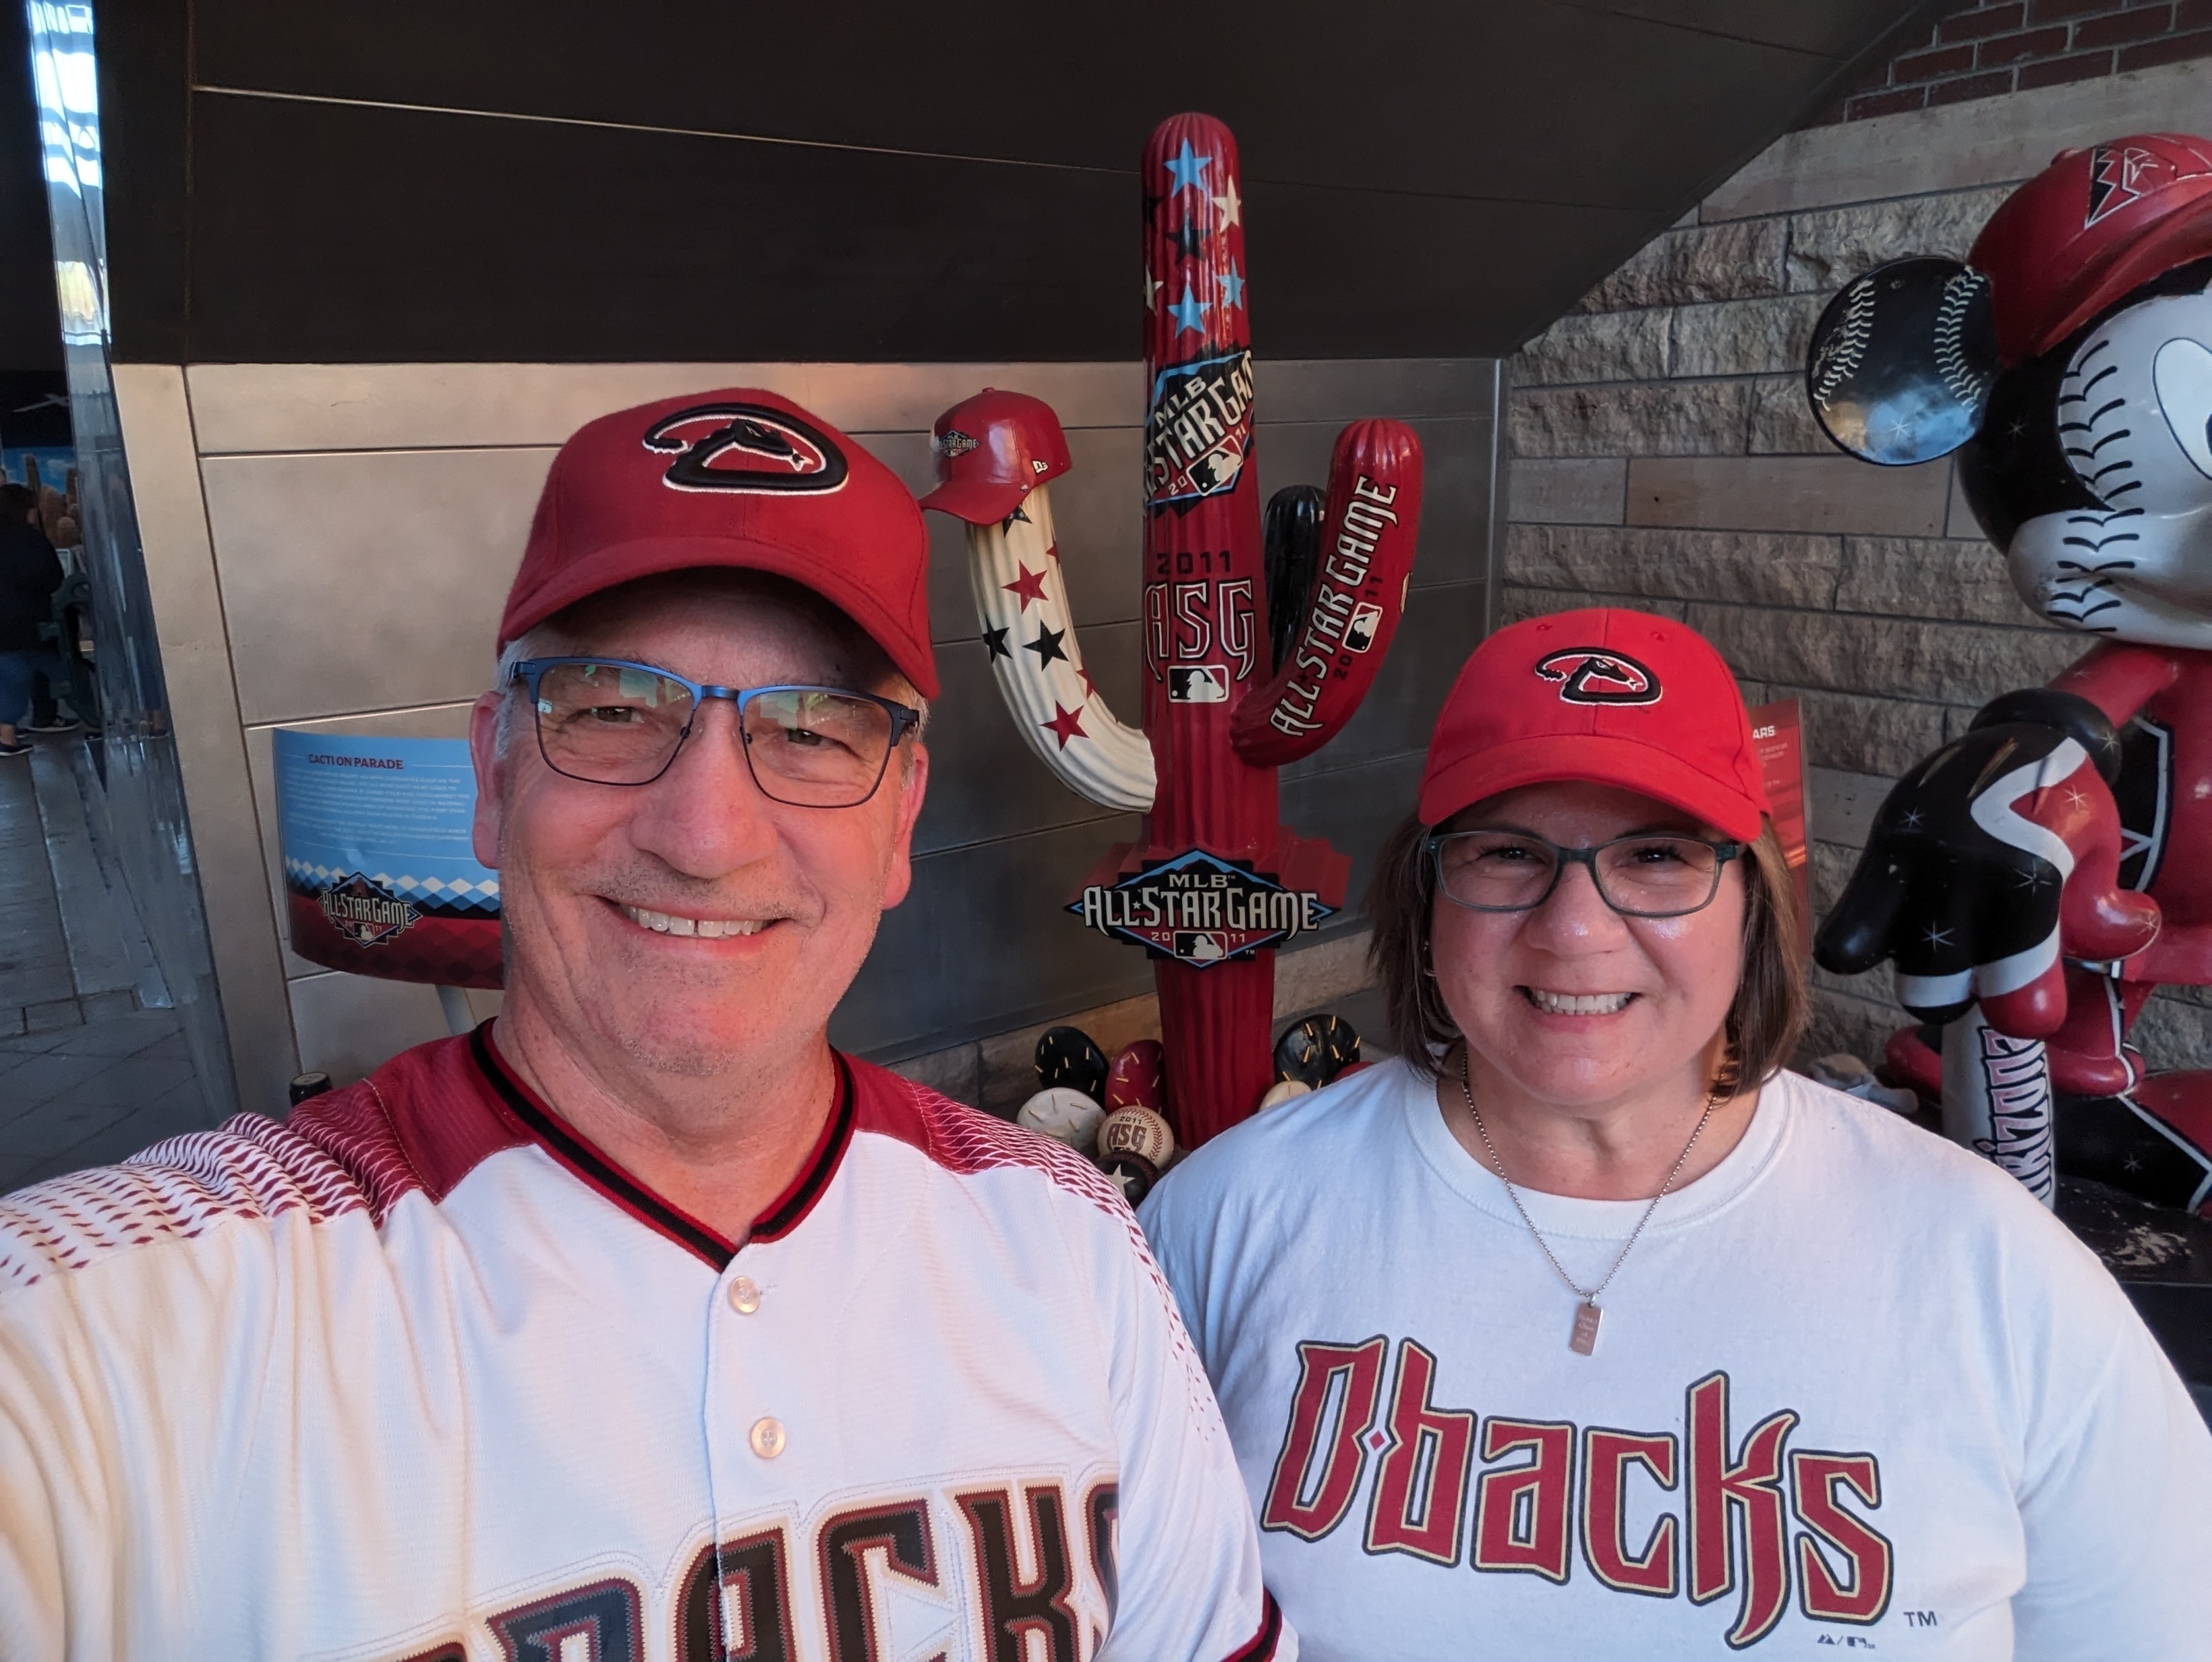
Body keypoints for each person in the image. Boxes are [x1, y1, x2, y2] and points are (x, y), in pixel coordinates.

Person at [0, 390, 1288, 1660]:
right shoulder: (120, 1313)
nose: (707, 832)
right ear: (493, 776)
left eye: (816, 728)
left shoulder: (1070, 1243)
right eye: (613, 707)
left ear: (900, 819)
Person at [1142, 606, 2212, 1659]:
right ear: (1426, 905)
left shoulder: (1988, 1265)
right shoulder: (1229, 1219)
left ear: (1754, 912)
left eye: (1657, 855)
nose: (1574, 929)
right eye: (1508, 852)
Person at [0, 482, 67, 758]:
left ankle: (8, 735)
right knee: (63, 672)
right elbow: (51, 578)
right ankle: (91, 716)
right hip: (30, 621)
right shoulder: (29, 540)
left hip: (5, 628)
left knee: (10, 678)